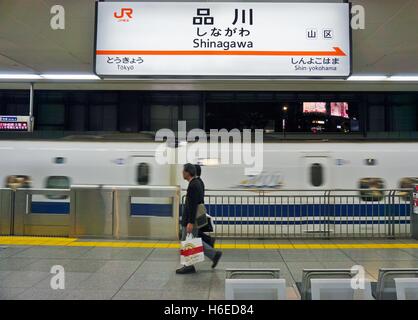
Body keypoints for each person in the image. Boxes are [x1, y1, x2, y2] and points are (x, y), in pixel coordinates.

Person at [176, 163, 222, 274]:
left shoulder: (193, 185)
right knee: (193, 240)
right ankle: (213, 255)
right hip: (191, 219)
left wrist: (190, 222)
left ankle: (189, 266)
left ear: (187, 172)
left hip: (190, 220)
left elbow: (193, 205)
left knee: (187, 241)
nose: (182, 173)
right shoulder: (197, 183)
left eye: (183, 171)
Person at [195, 164, 216, 248]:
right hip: (199, 209)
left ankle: (209, 240)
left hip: (198, 210)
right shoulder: (199, 181)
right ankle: (208, 242)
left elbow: (197, 197)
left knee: (196, 231)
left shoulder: (197, 182)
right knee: (196, 230)